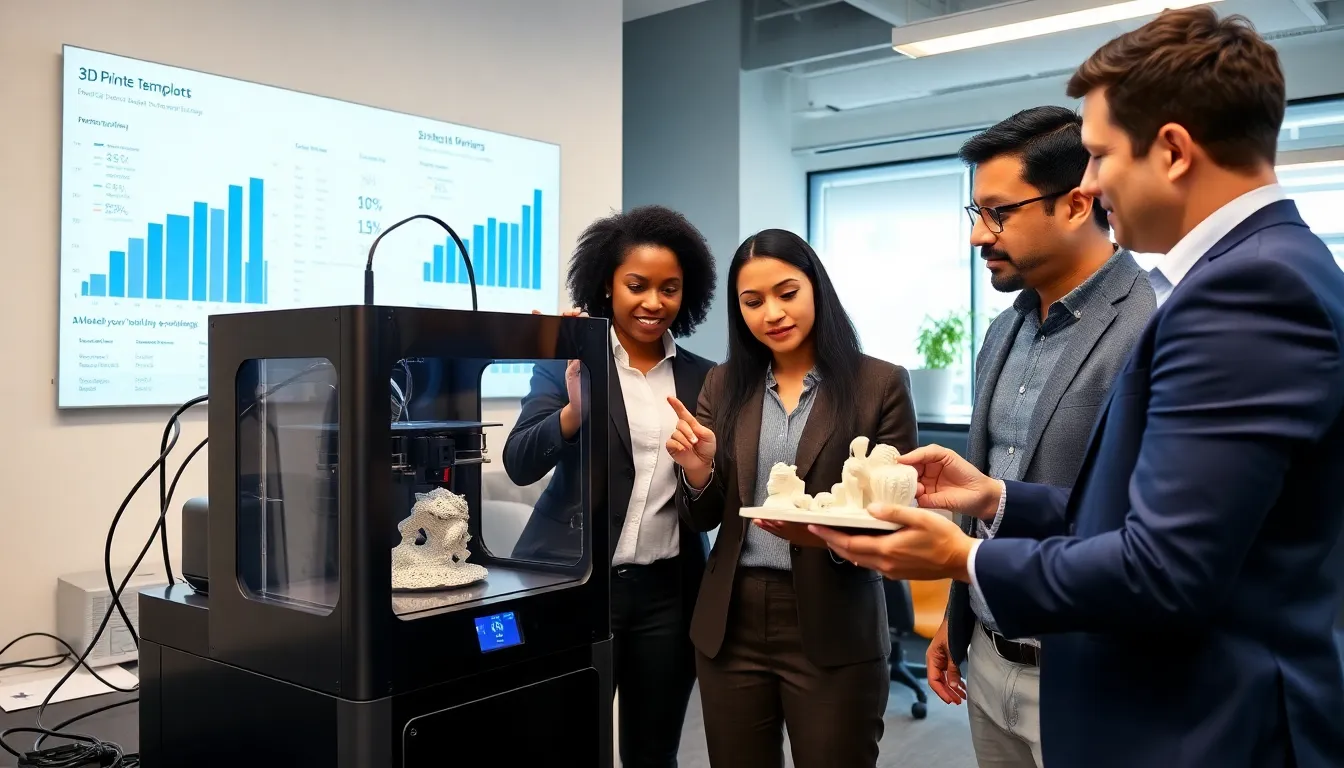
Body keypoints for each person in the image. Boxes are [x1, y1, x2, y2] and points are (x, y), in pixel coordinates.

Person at [810, 8, 1344, 768]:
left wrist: (964, 560)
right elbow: (1149, 517)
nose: (1089, 183)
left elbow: (1163, 567)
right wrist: (996, 499)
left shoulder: (1246, 291)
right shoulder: (1264, 269)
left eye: (1097, 156)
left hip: (1204, 720)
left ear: (1172, 151)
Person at [929, 105, 1155, 767]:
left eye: (999, 213)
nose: (979, 235)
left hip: (1090, 667)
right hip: (988, 655)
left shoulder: (1151, 323)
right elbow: (984, 503)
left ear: (1077, 204)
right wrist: (956, 615)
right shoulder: (1002, 331)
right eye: (976, 213)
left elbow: (1142, 524)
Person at [663, 228, 918, 768]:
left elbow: (895, 516)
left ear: (816, 288)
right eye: (752, 302)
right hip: (732, 618)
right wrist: (700, 470)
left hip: (834, 616)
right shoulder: (723, 384)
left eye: (787, 293)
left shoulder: (880, 385)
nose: (772, 313)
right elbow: (702, 516)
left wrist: (821, 534)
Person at [502, 204, 717, 768]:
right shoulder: (570, 358)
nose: (654, 302)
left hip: (669, 594)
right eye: (637, 285)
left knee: (654, 753)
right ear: (607, 283)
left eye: (669, 288)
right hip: (576, 583)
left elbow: (709, 504)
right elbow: (519, 461)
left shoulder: (705, 377)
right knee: (565, 746)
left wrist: (700, 472)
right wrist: (573, 412)